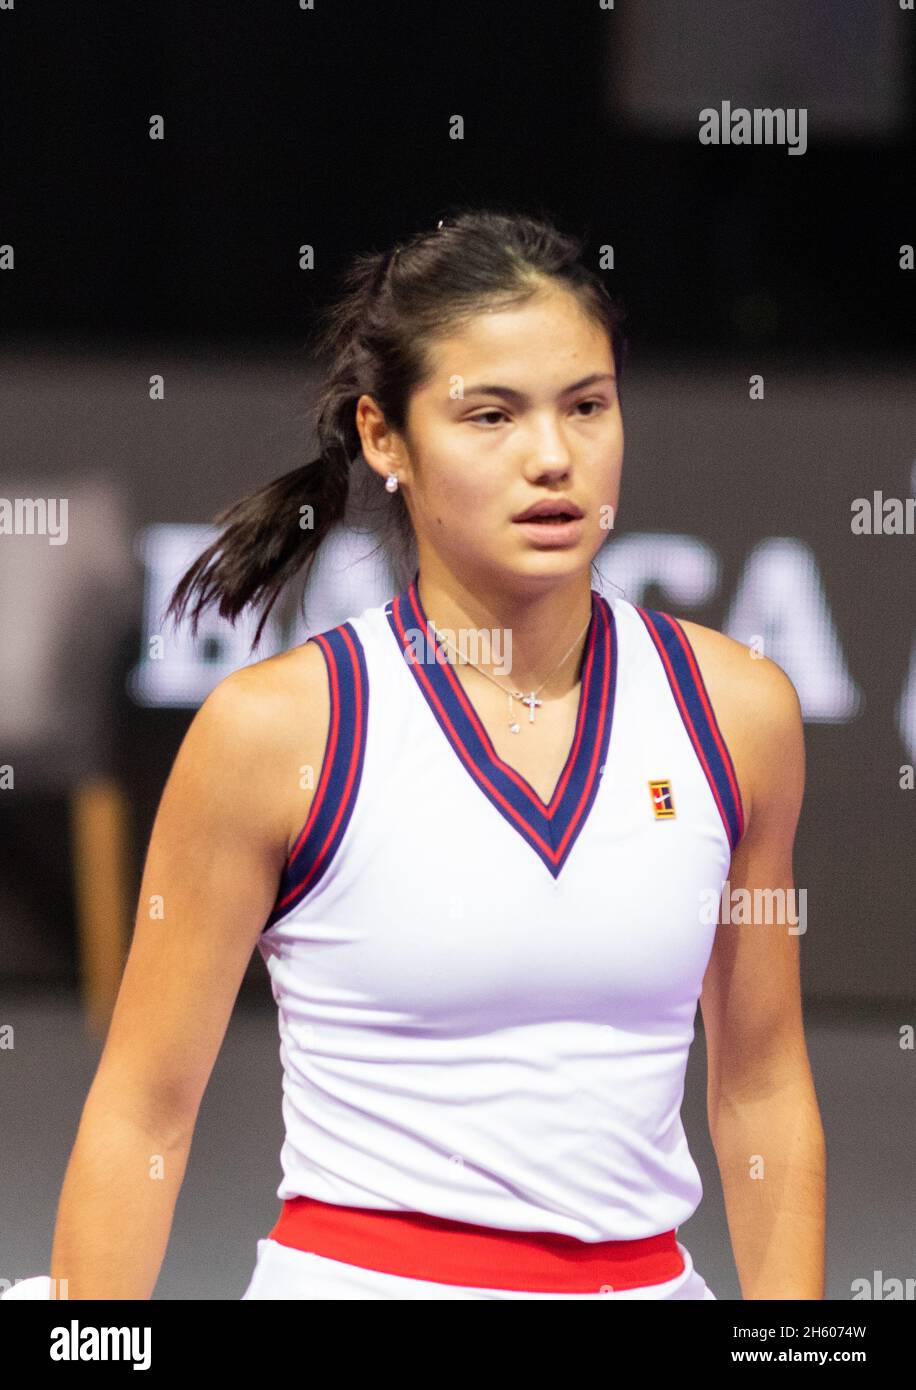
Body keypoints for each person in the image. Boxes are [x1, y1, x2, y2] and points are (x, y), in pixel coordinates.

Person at [36, 207, 824, 1301]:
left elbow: (763, 1084)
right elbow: (142, 1110)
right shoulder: (276, 734)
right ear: (382, 437)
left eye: (586, 406)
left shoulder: (739, 712)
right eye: (490, 414)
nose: (553, 456)